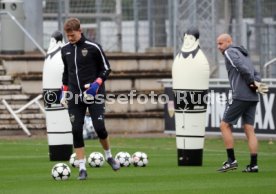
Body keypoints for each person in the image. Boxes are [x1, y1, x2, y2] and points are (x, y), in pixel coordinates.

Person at [60, 17, 120, 180]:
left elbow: (106, 69)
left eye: (72, 35)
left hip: (95, 94)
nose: (70, 38)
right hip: (74, 96)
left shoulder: (93, 47)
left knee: (99, 127)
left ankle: (108, 156)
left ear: (80, 31)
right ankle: (82, 168)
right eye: (68, 36)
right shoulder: (65, 50)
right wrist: (63, 93)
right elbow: (66, 74)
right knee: (76, 130)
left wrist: (96, 85)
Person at [216, 33, 268, 173]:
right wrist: (256, 84)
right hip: (252, 96)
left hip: (240, 95)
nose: (219, 47)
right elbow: (256, 73)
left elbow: (241, 68)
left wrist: (251, 83)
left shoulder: (229, 52)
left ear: (229, 42)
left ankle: (231, 161)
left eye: (221, 43)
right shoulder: (244, 53)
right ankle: (253, 165)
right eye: (218, 44)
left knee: (224, 125)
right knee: (249, 129)